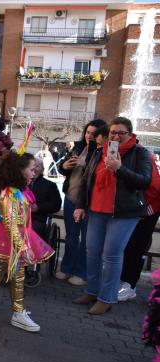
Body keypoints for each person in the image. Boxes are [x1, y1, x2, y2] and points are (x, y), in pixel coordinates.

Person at [73, 116, 152, 314]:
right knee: (92, 251)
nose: (116, 136)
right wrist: (81, 205)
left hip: (124, 213)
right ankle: (91, 290)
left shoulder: (140, 153)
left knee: (112, 255)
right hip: (97, 209)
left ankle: (107, 298)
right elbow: (86, 180)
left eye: (121, 133)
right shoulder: (100, 151)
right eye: (112, 132)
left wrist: (119, 169)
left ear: (130, 134)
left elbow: (144, 181)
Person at [0, 151, 54, 332]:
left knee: (16, 276)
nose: (34, 172)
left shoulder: (21, 191)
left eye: (35, 169)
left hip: (19, 239)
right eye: (31, 169)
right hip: (8, 241)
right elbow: (10, 224)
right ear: (19, 171)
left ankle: (18, 313)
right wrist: (22, 247)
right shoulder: (10, 194)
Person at [56, 119, 105, 285]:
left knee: (86, 240)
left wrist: (84, 165)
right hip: (71, 198)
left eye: (93, 133)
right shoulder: (77, 146)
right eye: (87, 132)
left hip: (88, 203)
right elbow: (63, 168)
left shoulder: (101, 151)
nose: (89, 136)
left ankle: (81, 272)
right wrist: (65, 166)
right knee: (71, 237)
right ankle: (67, 268)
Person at [117, 147, 160, 302]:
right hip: (137, 208)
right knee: (128, 247)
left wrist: (142, 208)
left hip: (146, 209)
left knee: (136, 247)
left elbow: (154, 187)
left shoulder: (142, 157)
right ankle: (124, 282)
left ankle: (129, 285)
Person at [30, 158, 62, 240]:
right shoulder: (22, 183)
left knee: (33, 229)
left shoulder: (50, 185)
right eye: (32, 166)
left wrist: (39, 207)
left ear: (43, 169)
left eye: (37, 166)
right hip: (20, 217)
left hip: (38, 218)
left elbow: (56, 205)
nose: (34, 169)